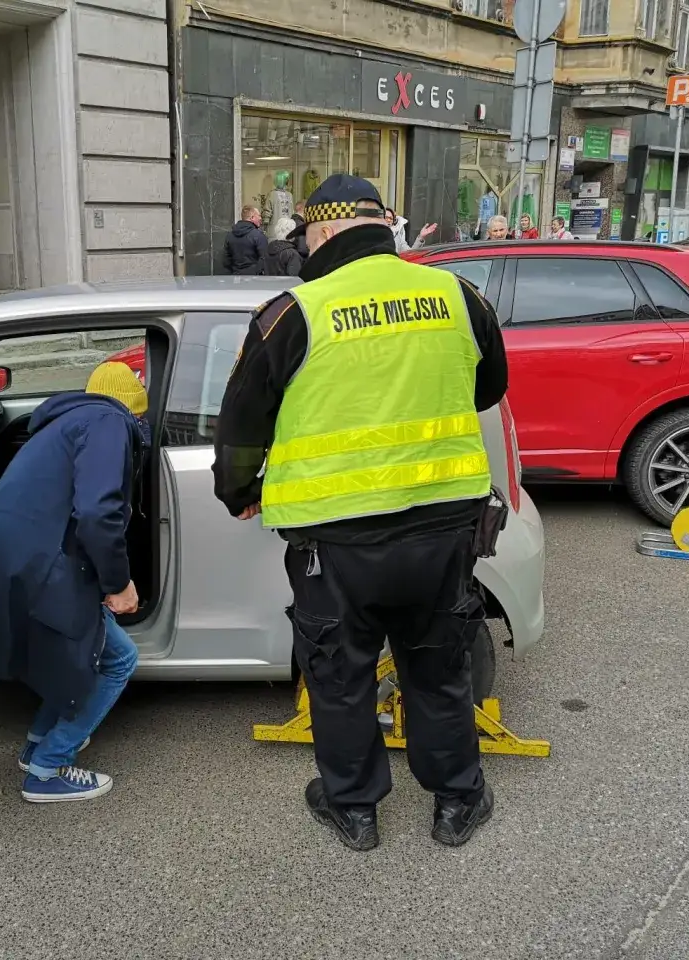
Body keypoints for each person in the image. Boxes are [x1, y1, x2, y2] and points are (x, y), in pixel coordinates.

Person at [212, 174, 509, 851]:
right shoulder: (458, 296)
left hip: (335, 545)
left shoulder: (295, 311)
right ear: (383, 228)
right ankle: (457, 802)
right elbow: (490, 386)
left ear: (318, 234)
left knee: (341, 678)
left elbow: (241, 423)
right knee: (437, 670)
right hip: (441, 532)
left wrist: (238, 492)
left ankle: (354, 810)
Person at [0, 361, 151, 803]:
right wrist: (118, 583)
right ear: (132, 410)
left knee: (78, 655)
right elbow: (98, 514)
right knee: (117, 660)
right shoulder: (109, 421)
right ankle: (47, 769)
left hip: (13, 559)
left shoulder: (65, 422)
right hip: (44, 564)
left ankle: (35, 748)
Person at [221, 206, 268, 275]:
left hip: (235, 277)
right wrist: (256, 272)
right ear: (252, 218)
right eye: (259, 216)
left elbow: (226, 260)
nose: (261, 218)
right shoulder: (258, 235)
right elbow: (265, 258)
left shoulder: (229, 235)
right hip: (254, 279)